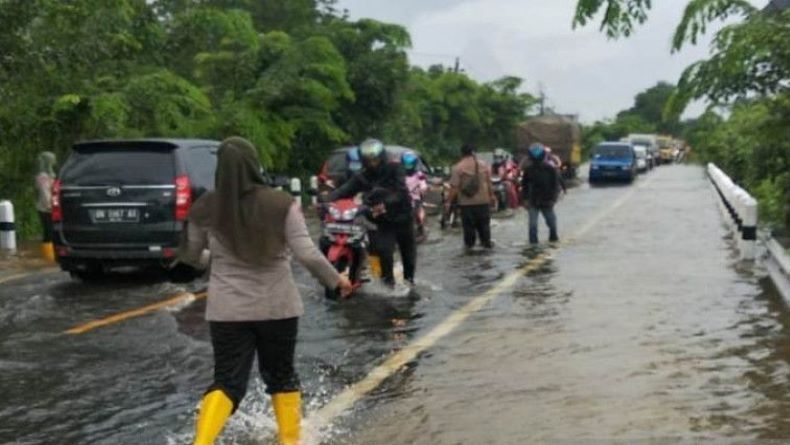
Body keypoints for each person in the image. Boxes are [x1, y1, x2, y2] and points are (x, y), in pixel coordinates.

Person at [179, 137, 353, 445]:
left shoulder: (205, 207)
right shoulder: (281, 203)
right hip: (278, 307)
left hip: (227, 310)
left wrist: (215, 260)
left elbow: (192, 257)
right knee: (281, 376)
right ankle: (290, 441)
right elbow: (307, 253)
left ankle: (201, 442)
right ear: (253, 164)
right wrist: (335, 280)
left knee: (227, 382)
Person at [325, 138, 416, 287]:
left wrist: (385, 199)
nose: (372, 163)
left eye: (375, 160)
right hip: (379, 219)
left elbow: (401, 192)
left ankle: (410, 280)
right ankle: (386, 283)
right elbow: (344, 190)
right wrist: (326, 200)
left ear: (382, 157)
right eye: (368, 160)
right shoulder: (362, 175)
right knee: (381, 251)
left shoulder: (395, 168)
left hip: (401, 216)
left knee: (408, 253)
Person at [446, 144, 496, 250]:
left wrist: (448, 202)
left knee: (469, 231)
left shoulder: (457, 168)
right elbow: (489, 183)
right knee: (485, 228)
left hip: (466, 204)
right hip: (483, 202)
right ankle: (486, 248)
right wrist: (492, 196)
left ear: (462, 153)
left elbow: (454, 188)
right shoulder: (483, 165)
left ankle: (470, 252)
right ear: (474, 153)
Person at [521, 143, 563, 245]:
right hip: (533, 200)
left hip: (547, 200)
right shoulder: (528, 170)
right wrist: (525, 199)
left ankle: (553, 239)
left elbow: (555, 185)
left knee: (551, 223)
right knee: (533, 225)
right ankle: (533, 243)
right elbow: (524, 185)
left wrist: (553, 198)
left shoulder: (551, 169)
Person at [34, 152, 57, 262]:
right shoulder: (42, 176)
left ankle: (52, 254)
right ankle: (48, 257)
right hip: (45, 208)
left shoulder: (50, 174)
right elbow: (44, 193)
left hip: (52, 206)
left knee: (52, 230)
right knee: (48, 231)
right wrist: (49, 206)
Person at [402, 151, 428, 240]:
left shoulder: (419, 174)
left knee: (417, 214)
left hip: (416, 197)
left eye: (410, 164)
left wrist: (422, 188)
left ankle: (421, 229)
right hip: (404, 198)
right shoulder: (400, 174)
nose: (408, 166)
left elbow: (423, 184)